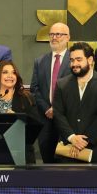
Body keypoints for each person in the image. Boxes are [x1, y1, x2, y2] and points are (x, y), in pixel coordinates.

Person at [53, 42, 97, 163]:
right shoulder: (61, 84)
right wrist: (72, 138)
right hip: (67, 150)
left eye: (79, 59)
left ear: (90, 60)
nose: (74, 64)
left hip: (96, 152)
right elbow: (58, 114)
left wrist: (83, 141)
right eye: (72, 60)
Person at [29, 22, 72, 163]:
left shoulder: (74, 60)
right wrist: (47, 108)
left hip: (67, 119)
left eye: (58, 34)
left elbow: (75, 89)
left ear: (68, 37)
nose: (54, 37)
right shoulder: (40, 61)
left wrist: (57, 109)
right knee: (47, 161)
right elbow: (34, 89)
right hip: (45, 119)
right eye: (52, 34)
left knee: (65, 164)